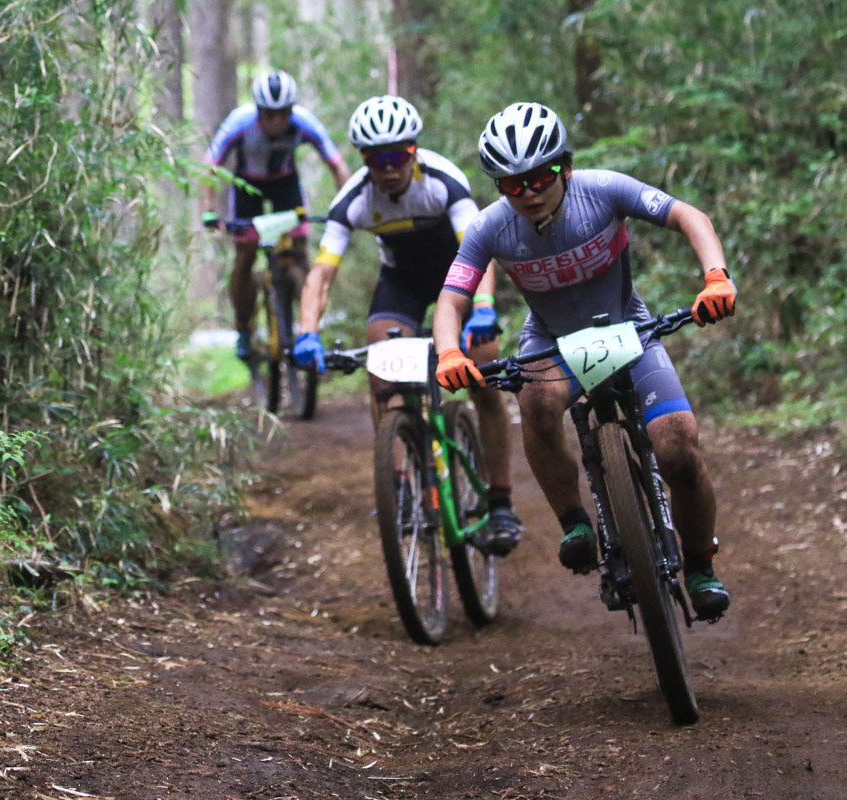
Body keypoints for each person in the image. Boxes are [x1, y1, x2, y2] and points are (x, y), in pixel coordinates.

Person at [431, 101, 736, 621]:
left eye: (540, 176)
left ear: (564, 167)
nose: (528, 192)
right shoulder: (490, 228)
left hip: (630, 328)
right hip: (551, 341)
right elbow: (451, 298)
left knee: (679, 448)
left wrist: (715, 275)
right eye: (511, 185)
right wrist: (450, 351)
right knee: (537, 401)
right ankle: (574, 521)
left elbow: (688, 216)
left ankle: (701, 564)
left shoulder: (603, 189)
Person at [293, 95, 524, 551]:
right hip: (400, 284)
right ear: (364, 160)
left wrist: (481, 307)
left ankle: (500, 501)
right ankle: (398, 477)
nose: (389, 167)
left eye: (398, 155)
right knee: (382, 363)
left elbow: (478, 249)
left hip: (458, 277)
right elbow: (321, 274)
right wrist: (306, 333)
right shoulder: (354, 199)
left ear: (414, 151)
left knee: (485, 377)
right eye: (377, 159)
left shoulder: (443, 181)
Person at [201, 69, 353, 360]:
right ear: (258, 111)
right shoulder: (240, 122)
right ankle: (244, 327)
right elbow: (209, 168)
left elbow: (337, 165)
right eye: (269, 114)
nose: (277, 121)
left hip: (285, 185)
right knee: (245, 254)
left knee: (300, 254)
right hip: (248, 187)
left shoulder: (303, 122)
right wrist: (209, 213)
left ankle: (310, 328)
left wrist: (345, 209)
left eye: (283, 113)